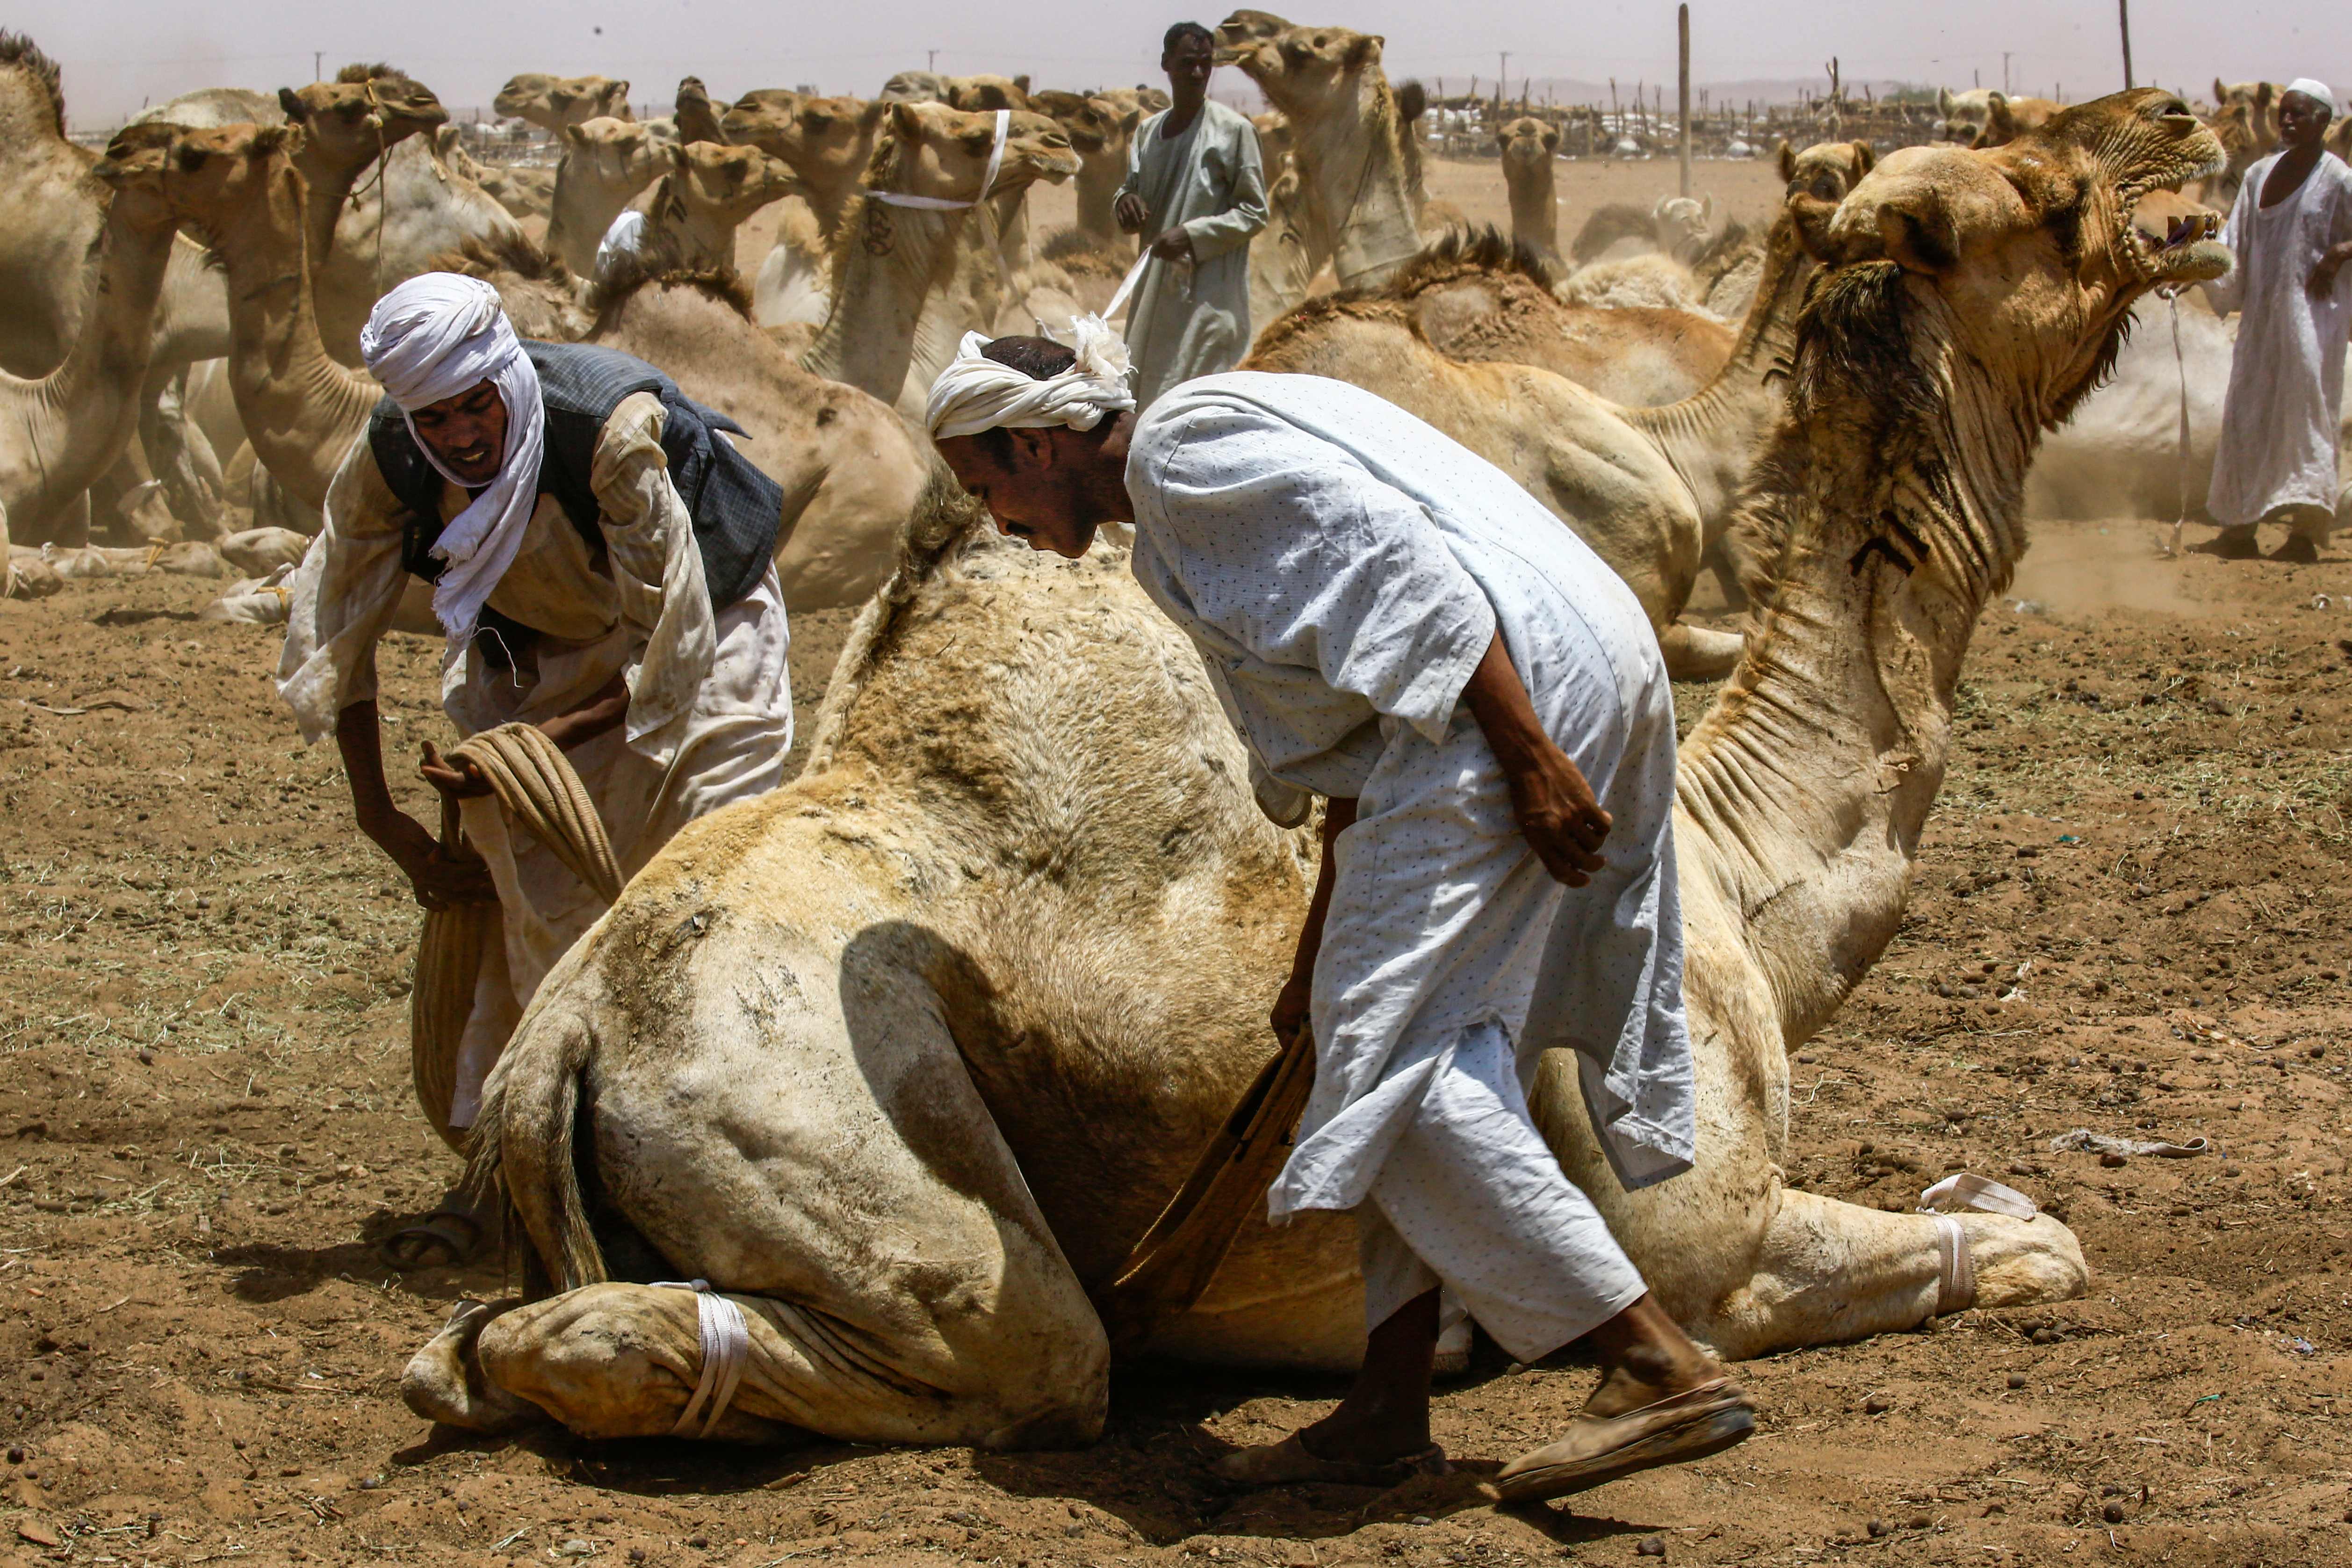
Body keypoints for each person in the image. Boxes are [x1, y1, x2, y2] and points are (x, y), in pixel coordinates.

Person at [923, 325, 1753, 1503]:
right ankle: (1385, 1405)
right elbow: (1355, 711)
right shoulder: (1198, 455)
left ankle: (1652, 1360)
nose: (995, 520)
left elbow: (1404, 579)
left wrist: (1524, 756)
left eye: (987, 485)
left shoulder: (1180, 458)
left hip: (1492, 712)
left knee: (1395, 1074)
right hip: (1552, 676)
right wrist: (1326, 938)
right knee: (1390, 1044)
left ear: (1035, 441)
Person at [277, 274, 796, 1267]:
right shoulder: (390, 458)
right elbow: (333, 629)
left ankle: (731, 1165)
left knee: (708, 880)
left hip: (707, 627)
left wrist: (534, 746)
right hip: (546, 644)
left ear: (505, 378)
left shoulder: (609, 434)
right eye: (438, 415)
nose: (465, 433)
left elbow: (667, 654)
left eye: (479, 404)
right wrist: (377, 812)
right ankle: (530, 1164)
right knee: (537, 909)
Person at [2199, 78, 2352, 562]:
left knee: (2308, 417)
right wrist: (2201, 266)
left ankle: (2304, 535)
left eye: (2299, 114)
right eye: (2283, 113)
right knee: (2246, 413)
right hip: (2262, 322)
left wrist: (2339, 253)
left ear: (2324, 122)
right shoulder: (2257, 176)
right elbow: (2235, 243)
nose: (2286, 122)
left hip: (2313, 320)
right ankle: (2238, 529)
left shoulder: (2338, 178)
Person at [1112, 21, 1270, 408]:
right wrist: (1125, 202)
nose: (1198, 73)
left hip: (1207, 304)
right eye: (1187, 64)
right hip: (1153, 299)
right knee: (1145, 406)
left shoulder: (1234, 132)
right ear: (1166, 64)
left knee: (1200, 409)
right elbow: (1129, 188)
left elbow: (1254, 212)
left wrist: (1192, 235)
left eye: (1205, 64)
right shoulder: (1148, 133)